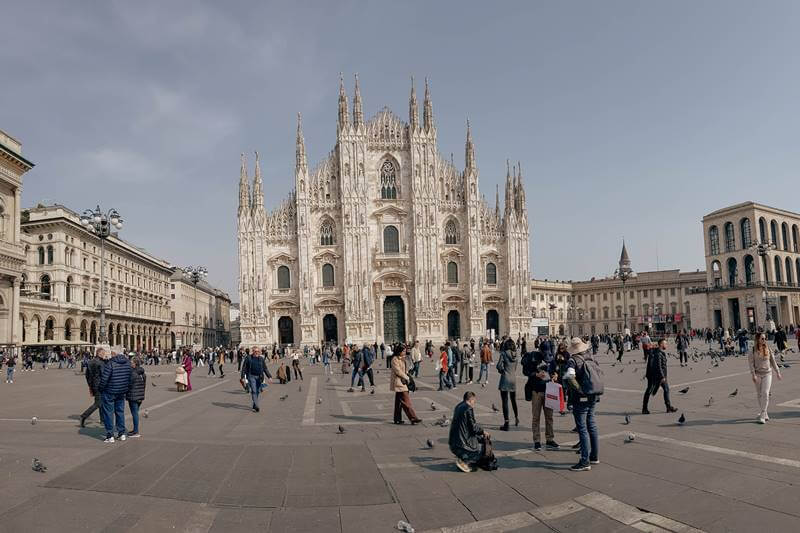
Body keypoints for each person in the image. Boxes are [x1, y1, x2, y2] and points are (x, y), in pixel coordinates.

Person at [564, 337, 600, 471]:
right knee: (592, 425)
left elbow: (570, 378)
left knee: (582, 428)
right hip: (593, 395)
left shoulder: (573, 360)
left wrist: (579, 391)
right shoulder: (590, 357)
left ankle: (585, 461)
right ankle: (594, 457)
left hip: (581, 397)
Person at [523, 348, 559, 451]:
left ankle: (550, 439)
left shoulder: (551, 359)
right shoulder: (533, 357)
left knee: (549, 417)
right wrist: (536, 374)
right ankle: (537, 441)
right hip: (536, 391)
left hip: (549, 391)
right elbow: (526, 371)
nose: (547, 360)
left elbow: (555, 371)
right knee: (536, 417)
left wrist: (555, 375)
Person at [449, 391, 493, 472]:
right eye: (474, 402)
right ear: (471, 400)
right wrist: (483, 431)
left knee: (478, 438)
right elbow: (473, 427)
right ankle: (465, 462)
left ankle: (463, 456)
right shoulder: (468, 408)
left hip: (453, 442)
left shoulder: (458, 406)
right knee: (480, 447)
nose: (474, 404)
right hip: (461, 443)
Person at [98, 346, 132, 443]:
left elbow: (104, 379)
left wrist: (101, 389)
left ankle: (110, 435)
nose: (111, 354)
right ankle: (121, 434)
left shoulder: (110, 364)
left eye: (112, 353)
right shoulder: (127, 363)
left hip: (110, 392)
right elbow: (130, 378)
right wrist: (126, 388)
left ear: (115, 354)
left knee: (108, 413)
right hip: (121, 392)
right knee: (120, 412)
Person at [749, 332, 782, 424]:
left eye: (765, 338)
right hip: (758, 374)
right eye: (762, 339)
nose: (764, 340)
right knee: (759, 394)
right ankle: (765, 412)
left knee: (765, 393)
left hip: (768, 373)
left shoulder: (768, 348)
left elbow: (773, 361)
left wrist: (778, 372)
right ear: (758, 339)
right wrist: (753, 375)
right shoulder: (752, 350)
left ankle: (762, 414)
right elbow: (751, 363)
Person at [642, 338, 677, 414]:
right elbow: (658, 366)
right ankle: (644, 408)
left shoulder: (659, 352)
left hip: (659, 375)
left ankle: (668, 407)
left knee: (666, 389)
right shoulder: (658, 353)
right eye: (665, 343)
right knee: (649, 391)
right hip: (655, 376)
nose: (666, 345)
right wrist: (662, 377)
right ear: (661, 344)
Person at [390, 345, 421, 424]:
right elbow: (398, 371)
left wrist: (408, 373)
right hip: (399, 382)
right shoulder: (394, 359)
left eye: (405, 351)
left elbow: (405, 370)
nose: (405, 352)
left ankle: (397, 419)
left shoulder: (403, 358)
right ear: (399, 351)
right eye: (403, 351)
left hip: (402, 381)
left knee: (399, 402)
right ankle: (413, 418)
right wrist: (406, 377)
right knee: (406, 400)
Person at [80, 345, 108, 427]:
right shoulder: (100, 363)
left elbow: (87, 375)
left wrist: (90, 385)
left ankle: (102, 420)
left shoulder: (91, 362)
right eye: (103, 353)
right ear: (99, 353)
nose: (104, 355)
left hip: (95, 385)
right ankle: (84, 416)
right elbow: (104, 375)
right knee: (98, 404)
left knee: (101, 403)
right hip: (100, 385)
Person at [496, 338, 519, 431]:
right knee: (513, 400)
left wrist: (502, 371)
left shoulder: (504, 354)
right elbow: (515, 368)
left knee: (505, 402)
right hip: (513, 379)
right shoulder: (516, 356)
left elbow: (498, 365)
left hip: (505, 378)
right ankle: (516, 418)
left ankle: (506, 423)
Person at [241, 347, 272, 412]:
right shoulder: (248, 358)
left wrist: (269, 376)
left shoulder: (261, 359)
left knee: (257, 391)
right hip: (251, 376)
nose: (257, 352)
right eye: (255, 351)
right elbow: (244, 368)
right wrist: (242, 377)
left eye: (258, 351)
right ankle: (257, 406)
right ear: (252, 351)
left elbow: (265, 368)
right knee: (254, 391)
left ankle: (254, 405)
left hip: (259, 377)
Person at [127, 357, 146, 438]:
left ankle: (136, 432)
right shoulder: (143, 373)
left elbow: (129, 384)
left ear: (135, 364)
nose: (130, 364)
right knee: (135, 413)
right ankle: (135, 430)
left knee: (134, 413)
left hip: (133, 395)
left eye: (131, 363)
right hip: (140, 395)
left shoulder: (133, 373)